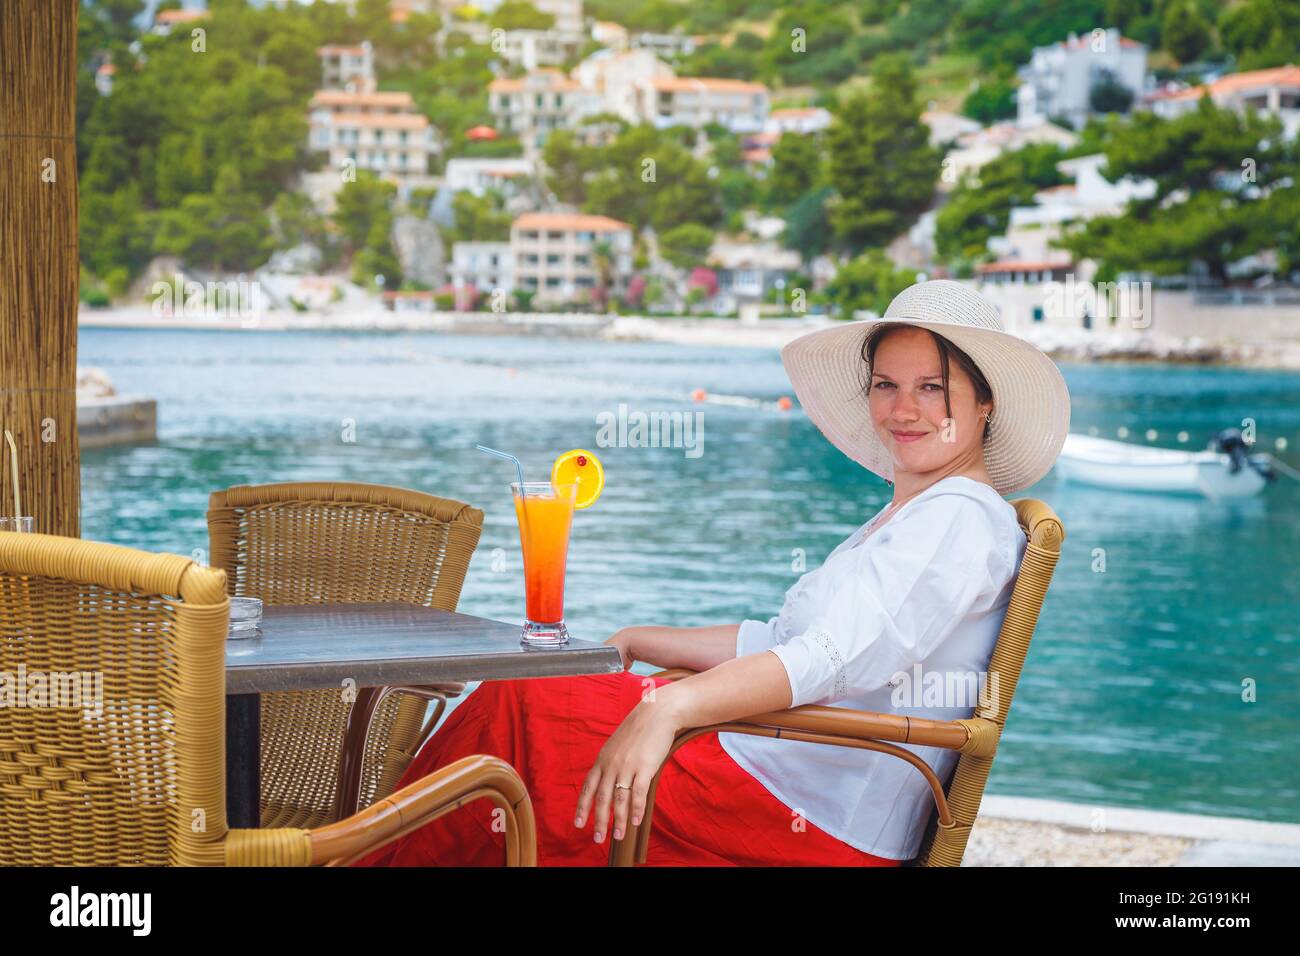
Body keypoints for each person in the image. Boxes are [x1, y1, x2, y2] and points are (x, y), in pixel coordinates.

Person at [352, 279, 1071, 866]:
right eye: (886, 385)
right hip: (779, 772)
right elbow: (790, 638)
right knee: (539, 701)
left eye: (932, 388)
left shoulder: (957, 519)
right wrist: (646, 639)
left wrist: (668, 709)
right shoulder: (919, 517)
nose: (903, 410)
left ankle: (370, 854)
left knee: (524, 711)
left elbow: (827, 658)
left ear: (985, 403)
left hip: (799, 812)